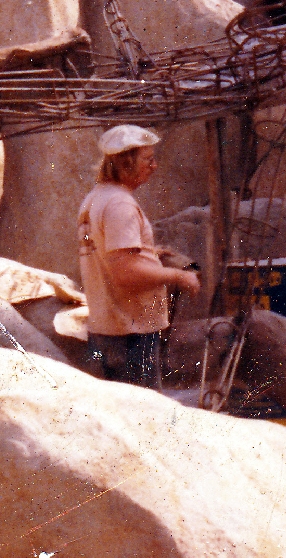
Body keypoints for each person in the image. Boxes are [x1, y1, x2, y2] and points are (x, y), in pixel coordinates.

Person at [77, 125, 201, 389]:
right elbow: (126, 273)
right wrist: (180, 276)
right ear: (125, 162)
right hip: (130, 335)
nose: (154, 166)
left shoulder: (95, 199)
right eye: (148, 159)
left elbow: (107, 253)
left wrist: (149, 254)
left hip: (104, 330)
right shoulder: (120, 205)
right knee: (144, 419)